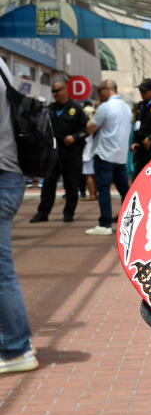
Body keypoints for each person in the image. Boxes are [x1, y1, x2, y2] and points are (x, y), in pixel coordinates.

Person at [0, 57, 36, 375]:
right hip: (10, 176)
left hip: (2, 177)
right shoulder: (2, 66)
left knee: (2, 272)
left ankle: (15, 348)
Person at [29, 71, 87, 223]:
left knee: (71, 183)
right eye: (53, 91)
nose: (55, 94)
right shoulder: (49, 109)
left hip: (71, 152)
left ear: (66, 90)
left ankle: (69, 213)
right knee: (48, 184)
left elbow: (87, 129)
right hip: (53, 152)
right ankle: (43, 213)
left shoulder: (77, 109)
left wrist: (74, 138)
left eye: (58, 90)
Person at [84, 79, 132, 237]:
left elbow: (90, 128)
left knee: (104, 189)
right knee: (124, 190)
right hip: (120, 155)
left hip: (105, 153)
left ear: (107, 90)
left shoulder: (105, 107)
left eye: (99, 90)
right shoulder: (126, 108)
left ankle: (104, 223)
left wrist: (95, 113)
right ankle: (132, 221)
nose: (98, 94)